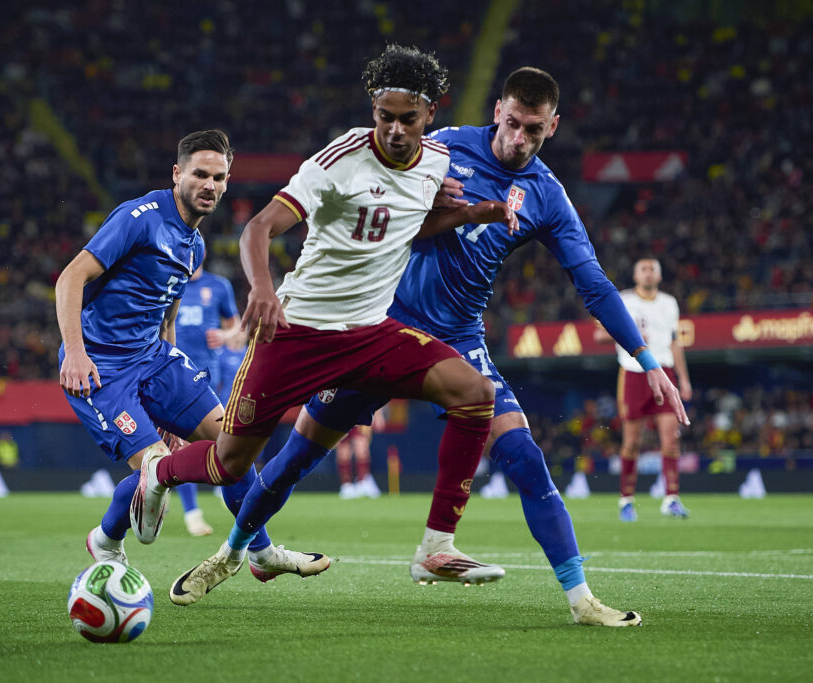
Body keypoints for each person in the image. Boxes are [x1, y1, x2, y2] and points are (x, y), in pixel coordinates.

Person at [200, 67, 691, 626]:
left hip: (457, 338)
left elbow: (594, 283)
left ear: (552, 126)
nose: (518, 139)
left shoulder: (548, 198)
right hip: (377, 329)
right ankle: (236, 551)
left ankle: (581, 600)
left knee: (525, 457)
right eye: (511, 124)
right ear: (498, 111)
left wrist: (648, 360)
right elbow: (374, 199)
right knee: (298, 457)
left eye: (533, 130)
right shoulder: (444, 148)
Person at [156, 44, 519, 606]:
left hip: (371, 335)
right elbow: (257, 229)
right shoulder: (340, 157)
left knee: (476, 393)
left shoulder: (437, 163)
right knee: (231, 463)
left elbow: (404, 230)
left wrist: (471, 214)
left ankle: (435, 547)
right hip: (296, 333)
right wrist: (263, 290)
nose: (395, 130)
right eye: (384, 117)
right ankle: (160, 479)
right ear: (372, 110)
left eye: (407, 119)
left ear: (429, 114)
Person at [55, 129, 313, 575]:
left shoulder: (195, 246)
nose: (209, 185)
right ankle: (107, 540)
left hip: (155, 357)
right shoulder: (139, 217)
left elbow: (168, 316)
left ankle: (260, 551)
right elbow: (70, 278)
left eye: (218, 177)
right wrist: (75, 354)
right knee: (156, 465)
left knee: (234, 447)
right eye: (199, 174)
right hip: (103, 367)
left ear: (228, 181)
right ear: (177, 174)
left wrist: (169, 399)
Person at [595, 257, 693, 521]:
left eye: (653, 270)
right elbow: (600, 334)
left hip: (665, 372)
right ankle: (626, 500)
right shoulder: (624, 300)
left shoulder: (669, 303)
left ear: (659, 276)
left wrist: (683, 379)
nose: (648, 274)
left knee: (671, 440)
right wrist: (632, 337)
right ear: (636, 275)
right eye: (644, 269)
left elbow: (675, 344)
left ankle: (671, 498)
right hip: (634, 373)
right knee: (632, 443)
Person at [171, 264, 243, 536]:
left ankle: (237, 501)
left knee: (224, 443)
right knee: (179, 445)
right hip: (173, 376)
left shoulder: (219, 286)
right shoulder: (170, 281)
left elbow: (234, 327)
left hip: (208, 378)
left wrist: (225, 336)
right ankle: (192, 514)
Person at [337, 408, 385, 499]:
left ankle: (352, 484)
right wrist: (379, 414)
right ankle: (356, 483)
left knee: (349, 445)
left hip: (343, 410)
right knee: (356, 444)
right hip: (356, 408)